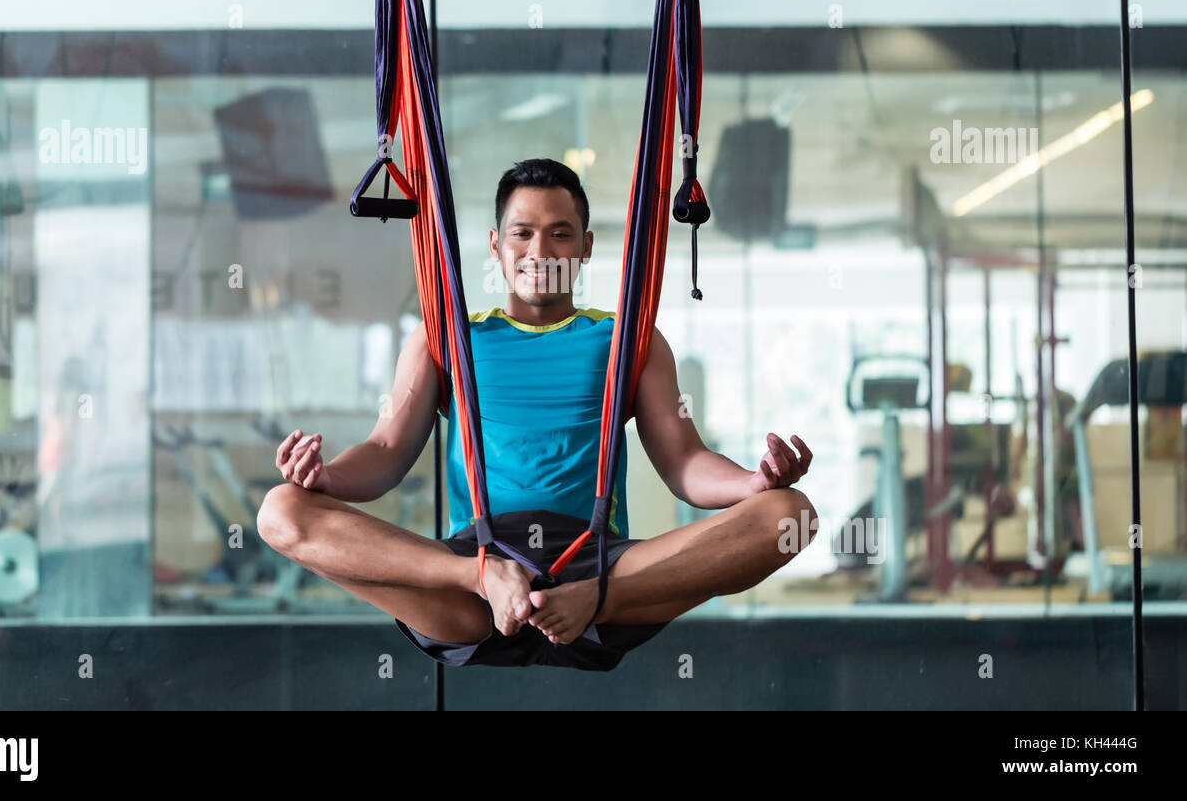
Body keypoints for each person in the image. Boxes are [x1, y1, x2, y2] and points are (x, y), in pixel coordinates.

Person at [258, 159, 816, 670]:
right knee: (281, 511)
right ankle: (485, 577)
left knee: (788, 515)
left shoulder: (627, 340)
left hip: (599, 569)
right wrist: (326, 479)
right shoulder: (446, 339)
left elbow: (686, 462)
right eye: (523, 233)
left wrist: (753, 482)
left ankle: (595, 598)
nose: (540, 250)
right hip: (473, 578)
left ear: (587, 246)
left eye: (561, 233)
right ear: (496, 245)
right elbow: (384, 453)